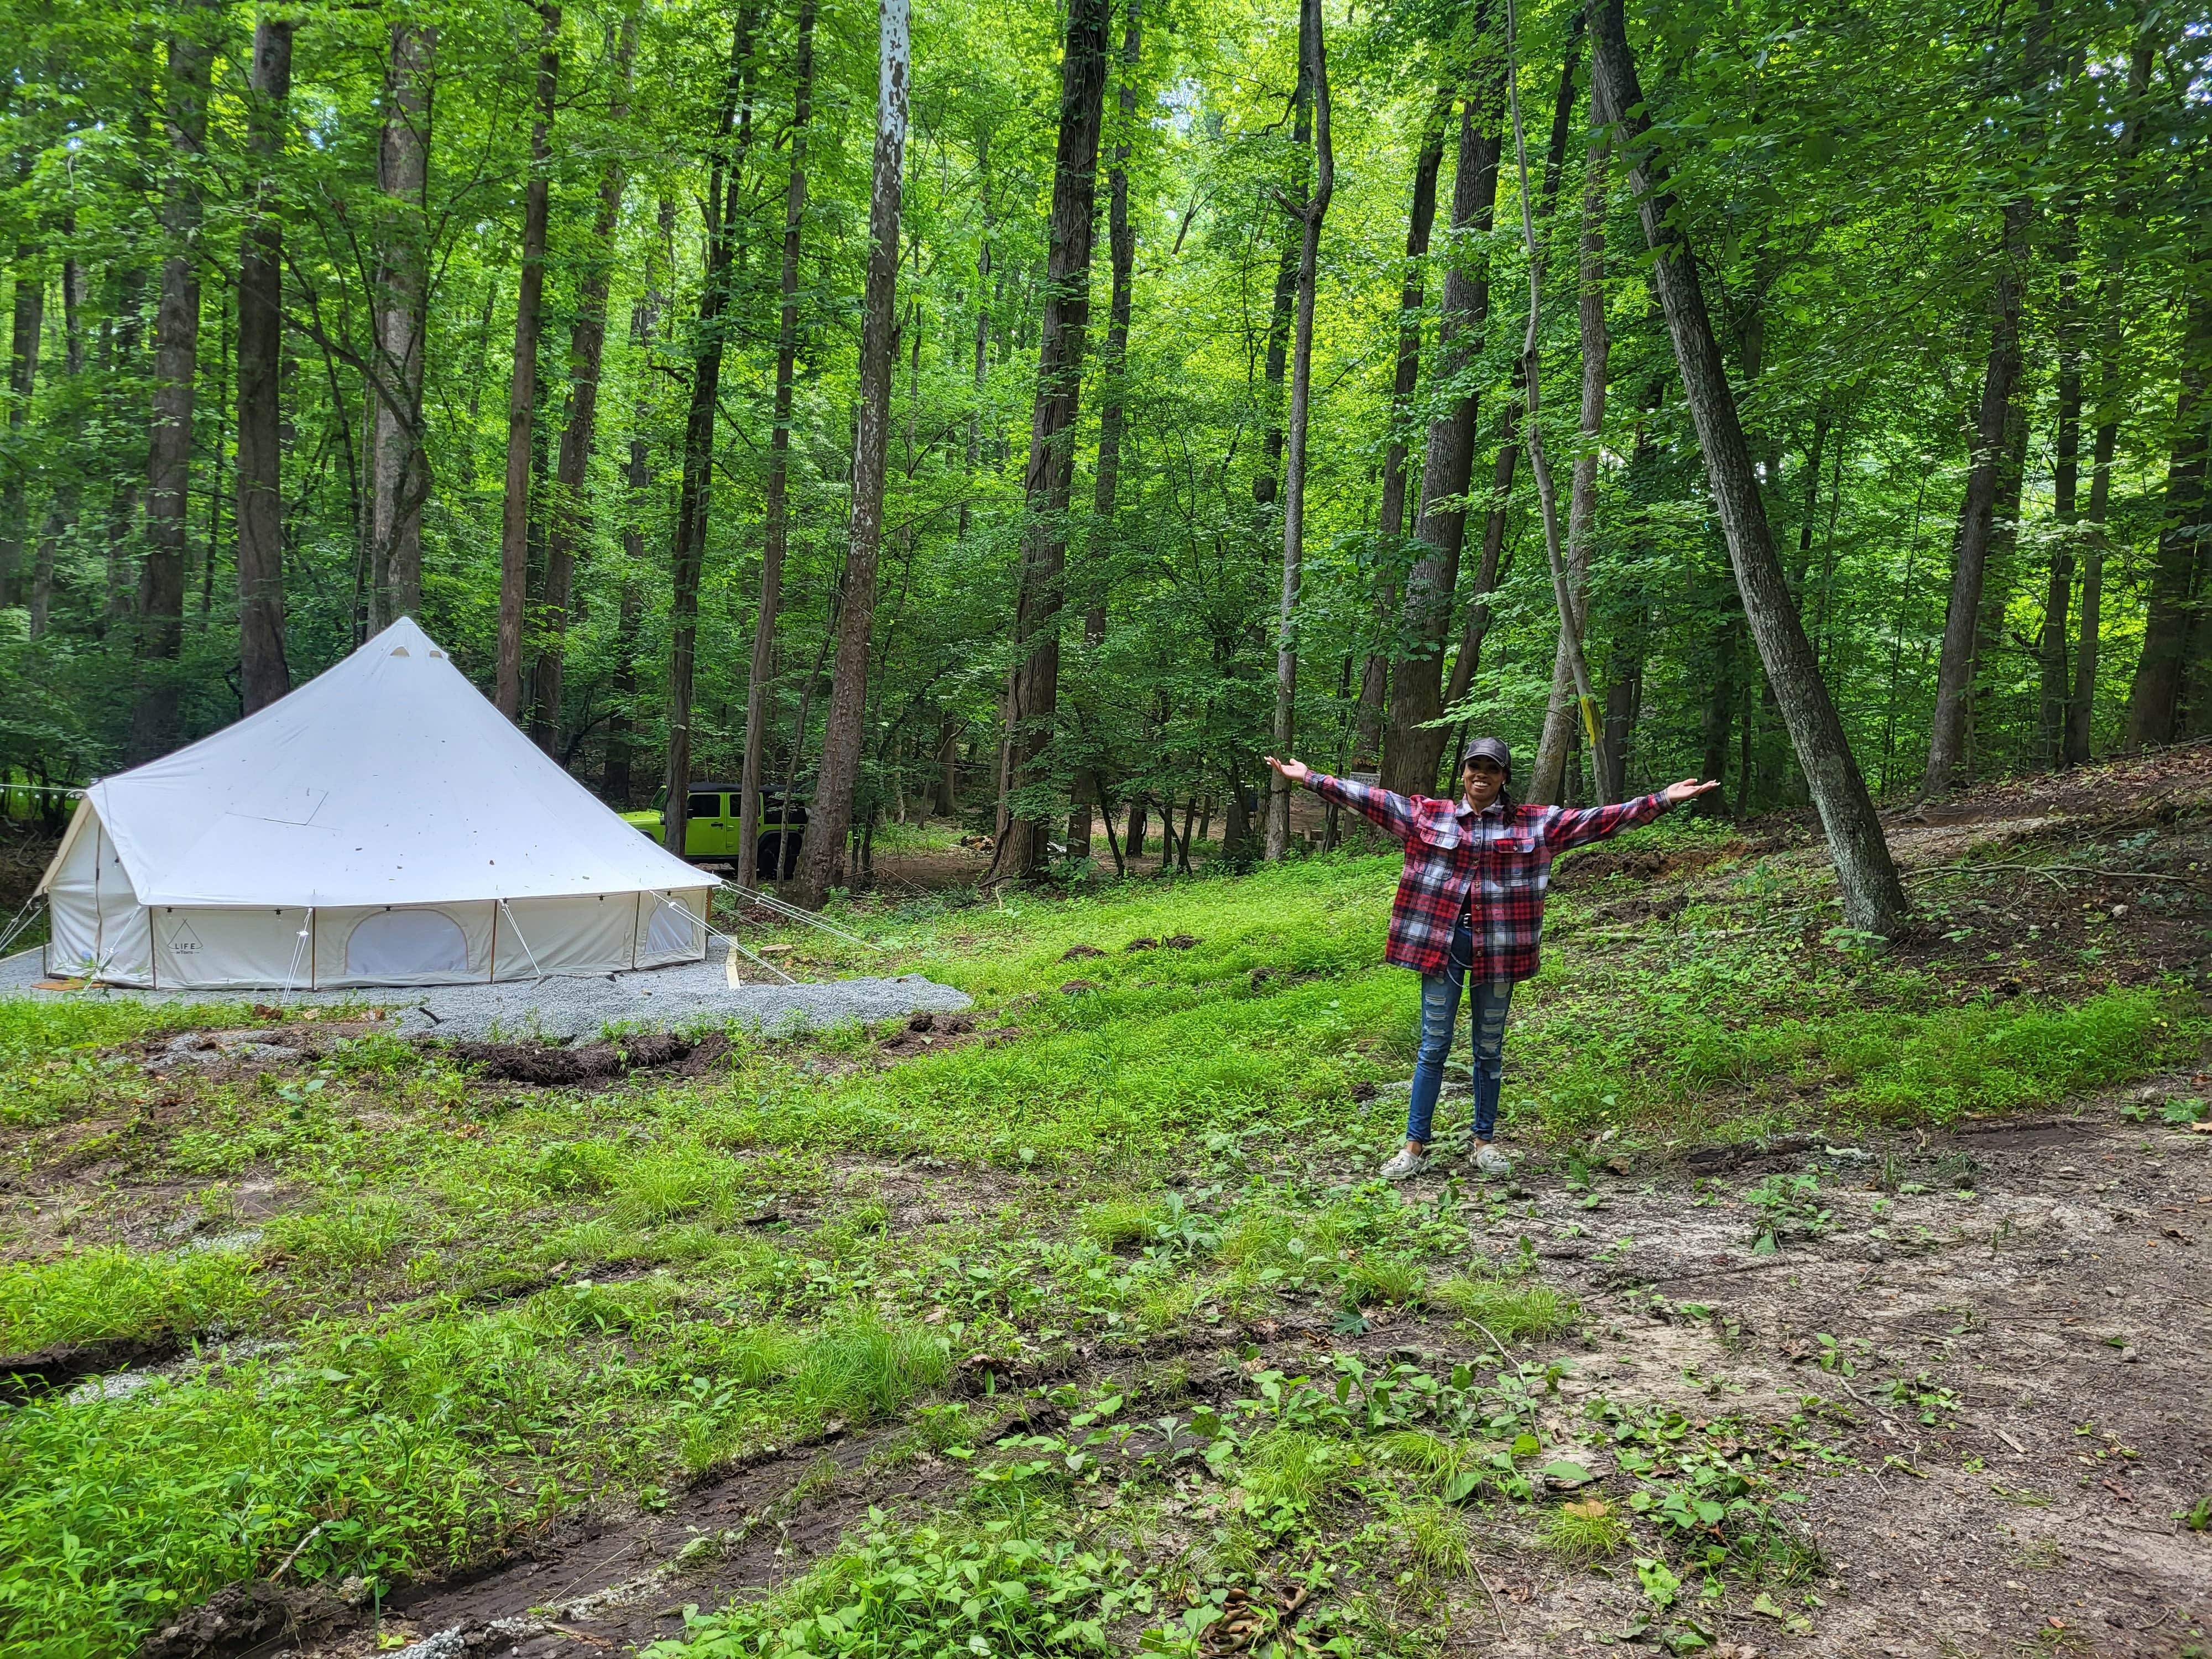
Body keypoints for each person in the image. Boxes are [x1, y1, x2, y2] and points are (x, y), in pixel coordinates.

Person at [1264, 739, 1718, 1181]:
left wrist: (1662, 800)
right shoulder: (1428, 814)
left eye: (1492, 768)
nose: (1481, 774)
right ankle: (1414, 1146)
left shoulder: (1535, 824)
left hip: (1499, 952)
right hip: (1441, 948)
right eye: (1474, 766)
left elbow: (1598, 820)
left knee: (1488, 1049)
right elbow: (1372, 799)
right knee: (1433, 1047)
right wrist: (1310, 779)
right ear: (1463, 773)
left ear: (1504, 777)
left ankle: (1484, 1143)